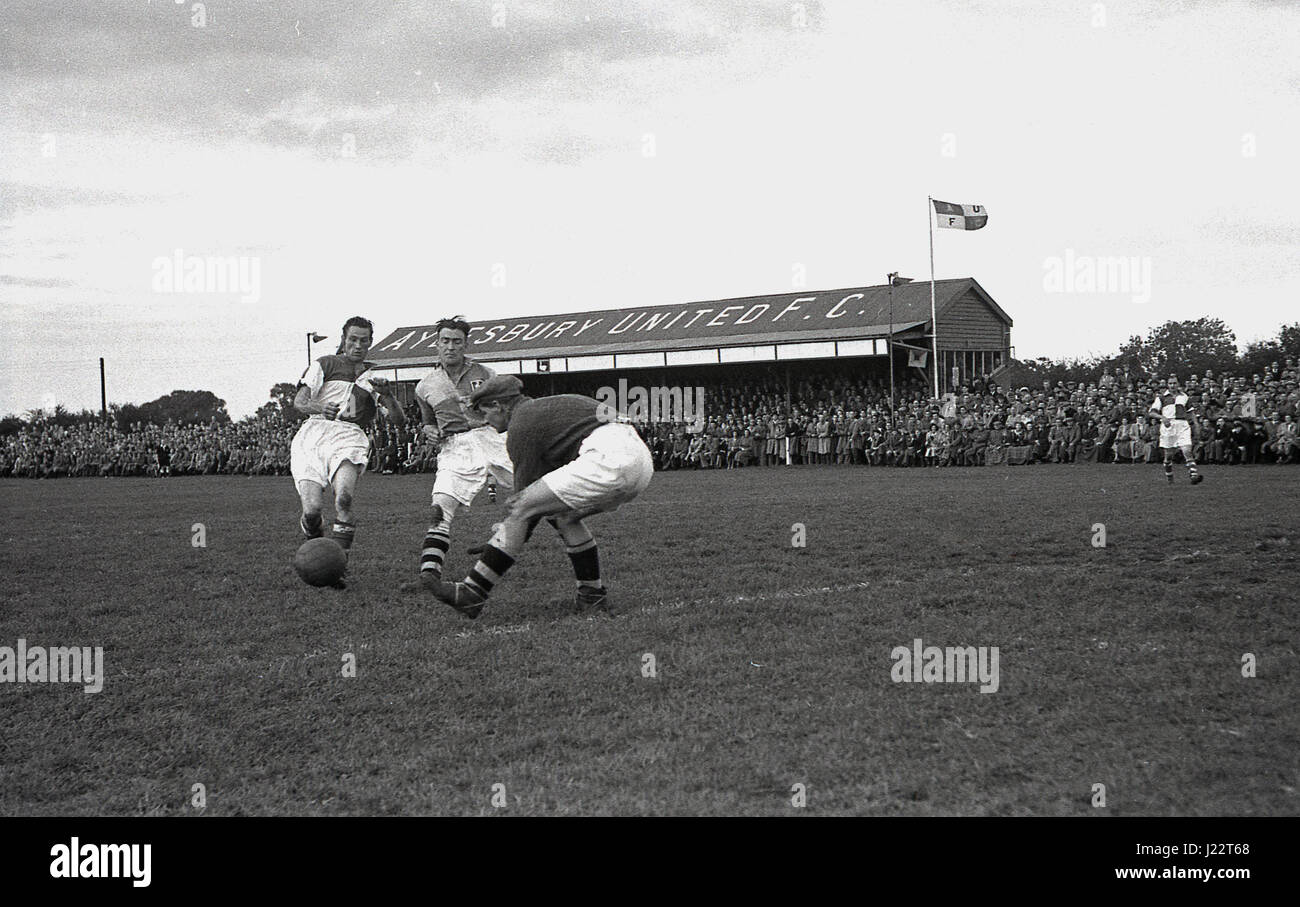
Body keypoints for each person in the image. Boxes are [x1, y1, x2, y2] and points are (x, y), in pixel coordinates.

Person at [417, 375, 654, 619]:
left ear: (499, 405)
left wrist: (498, 543)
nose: (484, 421)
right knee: (563, 517)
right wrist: (504, 536)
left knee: (523, 508)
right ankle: (591, 595)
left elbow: (523, 504)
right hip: (640, 461)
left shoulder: (522, 424)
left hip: (611, 459)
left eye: (484, 412)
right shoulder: (546, 408)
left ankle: (471, 593)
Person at [291, 316, 405, 567]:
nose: (358, 345)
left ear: (370, 342)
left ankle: (339, 565)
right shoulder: (324, 364)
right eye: (352, 339)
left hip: (349, 436)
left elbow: (398, 420)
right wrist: (319, 406)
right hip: (314, 434)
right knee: (311, 512)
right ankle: (316, 542)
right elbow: (299, 402)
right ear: (343, 340)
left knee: (343, 499)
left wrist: (388, 396)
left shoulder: (374, 377)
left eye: (364, 341)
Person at [410, 317, 515, 583]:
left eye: (457, 341)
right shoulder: (425, 386)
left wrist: (483, 407)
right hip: (454, 447)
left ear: (466, 344)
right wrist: (428, 431)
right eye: (445, 341)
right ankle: (429, 576)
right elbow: (427, 422)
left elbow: (507, 408)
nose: (451, 347)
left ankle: (506, 532)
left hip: (492, 439)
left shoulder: (486, 375)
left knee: (536, 492)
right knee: (440, 508)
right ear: (436, 344)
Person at [1149, 377, 1203, 484]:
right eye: (1170, 383)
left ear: (1178, 384)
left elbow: (1191, 412)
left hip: (1182, 424)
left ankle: (1194, 475)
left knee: (1186, 450)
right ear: (1167, 385)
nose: (1172, 385)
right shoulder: (1161, 397)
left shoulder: (1184, 396)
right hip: (1168, 426)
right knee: (1168, 456)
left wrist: (1196, 424)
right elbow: (1151, 412)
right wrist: (1162, 418)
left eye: (1174, 383)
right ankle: (1170, 477)